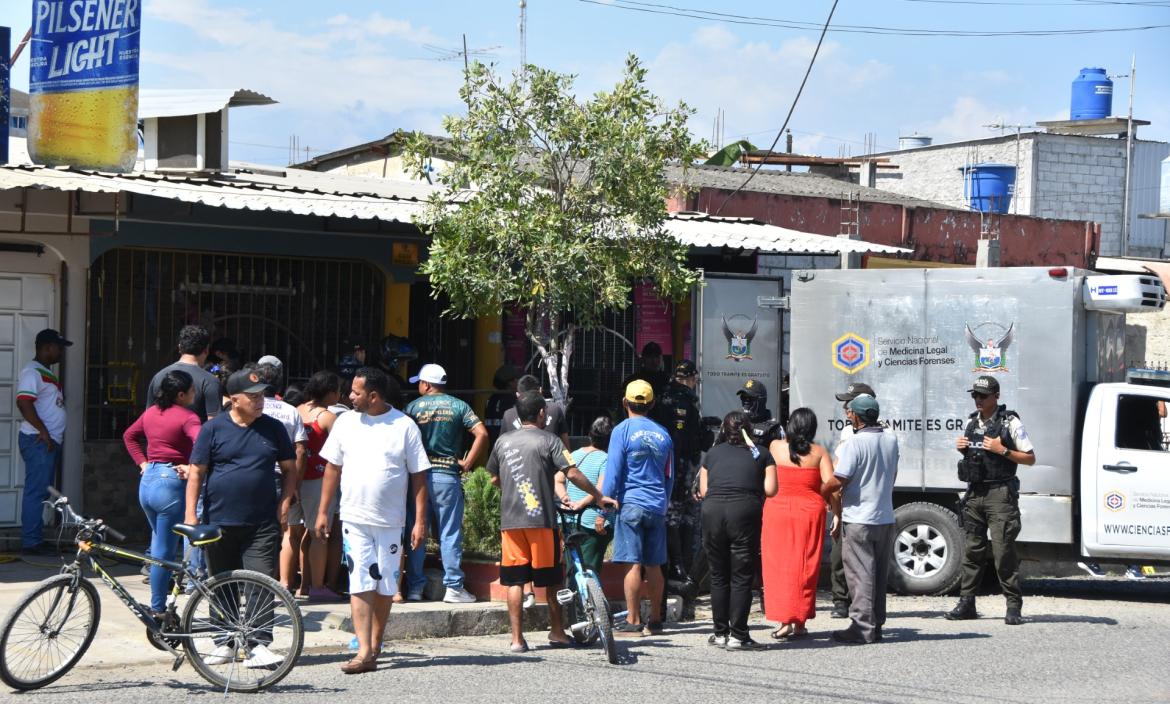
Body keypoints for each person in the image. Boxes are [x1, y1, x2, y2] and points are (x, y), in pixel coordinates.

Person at [315, 367, 431, 674]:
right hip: (354, 517)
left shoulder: (404, 426)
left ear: (374, 396)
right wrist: (324, 510)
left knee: (385, 585)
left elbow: (420, 475)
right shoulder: (345, 423)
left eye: (355, 392)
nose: (349, 396)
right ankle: (363, 649)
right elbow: (332, 468)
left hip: (391, 522)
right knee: (360, 581)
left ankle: (375, 643)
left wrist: (420, 522)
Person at [185, 368, 298, 669]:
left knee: (261, 582)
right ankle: (224, 641)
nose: (259, 401)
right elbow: (196, 472)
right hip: (219, 520)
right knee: (221, 583)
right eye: (252, 397)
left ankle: (259, 643)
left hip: (261, 522)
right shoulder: (214, 429)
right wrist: (190, 515)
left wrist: (285, 503)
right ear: (234, 399)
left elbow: (290, 469)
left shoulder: (273, 428)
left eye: (261, 395)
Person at [486, 391, 615, 653]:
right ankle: (557, 632)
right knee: (554, 579)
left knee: (514, 581)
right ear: (541, 413)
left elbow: (494, 478)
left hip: (510, 523)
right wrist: (598, 496)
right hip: (542, 521)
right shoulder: (550, 440)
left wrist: (514, 490)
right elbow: (573, 473)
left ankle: (517, 640)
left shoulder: (502, 442)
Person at [945, 375, 1036, 626]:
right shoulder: (972, 422)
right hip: (975, 493)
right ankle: (967, 602)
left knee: (1003, 550)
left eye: (982, 396)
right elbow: (973, 457)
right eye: (975, 395)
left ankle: (1013, 605)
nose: (978, 400)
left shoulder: (1010, 422)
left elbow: (1030, 458)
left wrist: (1002, 450)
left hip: (1000, 494)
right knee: (972, 551)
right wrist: (962, 448)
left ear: (996, 396)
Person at [403, 363, 489, 604]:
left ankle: (415, 588)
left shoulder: (411, 407)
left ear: (427, 384)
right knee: (450, 532)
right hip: (447, 475)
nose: (418, 386)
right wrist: (468, 463)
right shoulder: (459, 405)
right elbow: (482, 433)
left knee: (416, 529)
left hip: (417, 478)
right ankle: (453, 587)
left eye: (419, 382)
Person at [122, 370, 201, 616]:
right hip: (171, 483)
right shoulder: (189, 418)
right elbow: (203, 446)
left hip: (148, 482)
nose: (194, 394)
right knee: (163, 553)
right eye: (191, 390)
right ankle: (158, 609)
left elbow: (129, 436)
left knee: (160, 545)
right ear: (181, 394)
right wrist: (191, 468)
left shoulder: (152, 412)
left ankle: (159, 605)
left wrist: (143, 464)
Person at [821, 395, 899, 645]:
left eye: (850, 413)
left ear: (857, 416)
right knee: (877, 574)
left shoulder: (855, 442)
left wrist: (822, 489)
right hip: (884, 516)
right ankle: (876, 624)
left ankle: (861, 627)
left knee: (860, 573)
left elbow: (839, 478)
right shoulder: (891, 439)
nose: (848, 416)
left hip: (858, 518)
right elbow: (892, 473)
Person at [698, 411, 777, 650]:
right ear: (749, 430)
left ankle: (720, 633)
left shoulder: (711, 454)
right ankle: (738, 635)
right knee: (741, 576)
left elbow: (704, 491)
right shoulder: (762, 454)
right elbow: (771, 489)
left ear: (723, 430)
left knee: (719, 574)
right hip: (744, 513)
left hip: (712, 513)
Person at [602, 380, 674, 638]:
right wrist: (663, 503)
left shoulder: (621, 431)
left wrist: (604, 507)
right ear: (652, 404)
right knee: (654, 565)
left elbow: (613, 473)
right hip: (656, 505)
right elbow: (669, 475)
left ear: (625, 403)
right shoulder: (664, 433)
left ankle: (633, 621)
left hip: (631, 503)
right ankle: (654, 620)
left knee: (632, 564)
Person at [762, 408, 838, 639]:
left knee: (779, 567)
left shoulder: (775, 447)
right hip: (809, 513)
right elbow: (832, 484)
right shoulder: (820, 453)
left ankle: (785, 621)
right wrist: (836, 512)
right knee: (805, 566)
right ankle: (801, 621)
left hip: (777, 511)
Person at [16, 329, 71, 555]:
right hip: (38, 441)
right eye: (58, 347)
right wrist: (44, 432)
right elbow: (24, 403)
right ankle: (31, 542)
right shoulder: (32, 372)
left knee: (40, 492)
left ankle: (35, 538)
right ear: (47, 347)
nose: (61, 352)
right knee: (36, 492)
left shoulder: (44, 372)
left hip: (45, 442)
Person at [256, 363, 309, 591]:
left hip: (255, 476)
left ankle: (253, 582)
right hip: (282, 478)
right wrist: (295, 483)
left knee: (254, 531)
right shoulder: (290, 411)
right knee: (286, 530)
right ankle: (284, 583)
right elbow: (300, 450)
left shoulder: (251, 407)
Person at [294, 371, 344, 602]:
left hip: (296, 479)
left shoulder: (297, 410)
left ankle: (301, 584)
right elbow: (343, 447)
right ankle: (317, 586)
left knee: (300, 532)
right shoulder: (327, 416)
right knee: (319, 534)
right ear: (330, 392)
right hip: (318, 479)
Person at [828, 381, 877, 619]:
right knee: (839, 555)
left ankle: (866, 609)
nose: (846, 409)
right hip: (848, 502)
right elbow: (839, 466)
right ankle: (840, 600)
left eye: (849, 403)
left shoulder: (882, 432)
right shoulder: (848, 432)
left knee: (867, 561)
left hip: (870, 505)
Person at [656, 360, 704, 598]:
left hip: (669, 465)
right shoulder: (684, 400)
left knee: (675, 517)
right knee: (680, 517)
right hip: (683, 466)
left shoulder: (664, 397)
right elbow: (689, 438)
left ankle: (678, 567)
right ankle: (680, 567)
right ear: (691, 378)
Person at [558, 416, 615, 585]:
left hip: (568, 519)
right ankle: (590, 610)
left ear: (590, 435)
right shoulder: (607, 459)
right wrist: (582, 503)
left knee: (573, 570)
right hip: (591, 523)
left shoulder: (574, 454)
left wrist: (565, 498)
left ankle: (572, 608)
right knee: (590, 574)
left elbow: (557, 479)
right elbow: (601, 490)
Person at [146, 325, 222, 423]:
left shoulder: (159, 376)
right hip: (197, 438)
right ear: (206, 350)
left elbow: (149, 417)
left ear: (180, 348)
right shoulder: (210, 381)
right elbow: (214, 424)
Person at [501, 375, 571, 448]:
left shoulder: (508, 415)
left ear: (518, 395)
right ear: (540, 391)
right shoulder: (555, 410)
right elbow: (566, 448)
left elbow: (502, 446)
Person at [737, 379, 784, 447]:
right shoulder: (734, 421)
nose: (745, 402)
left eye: (749, 398)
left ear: (761, 400)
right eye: (743, 397)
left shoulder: (774, 429)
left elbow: (780, 454)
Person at [484, 364, 519, 443]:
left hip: (494, 445)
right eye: (516, 379)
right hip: (508, 445)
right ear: (510, 382)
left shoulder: (491, 399)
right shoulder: (512, 400)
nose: (518, 381)